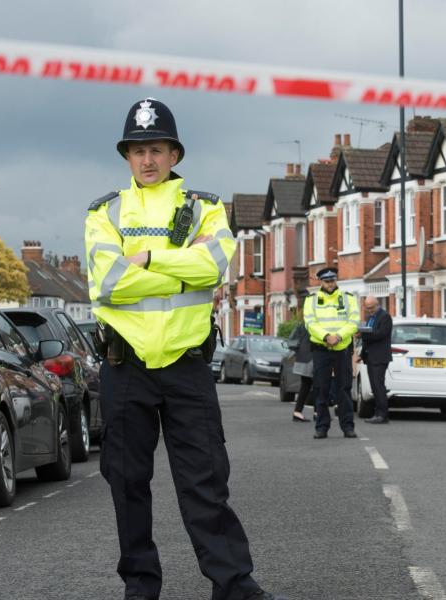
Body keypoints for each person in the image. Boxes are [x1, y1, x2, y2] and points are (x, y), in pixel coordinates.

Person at [85, 98, 287, 600]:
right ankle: (140, 588)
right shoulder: (104, 212)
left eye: (156, 149)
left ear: (174, 154)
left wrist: (149, 257)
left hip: (186, 364)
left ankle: (233, 585)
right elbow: (108, 282)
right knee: (127, 484)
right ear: (126, 156)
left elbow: (214, 266)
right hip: (124, 363)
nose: (147, 160)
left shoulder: (205, 207)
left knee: (204, 481)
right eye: (137, 150)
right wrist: (180, 267)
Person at [302, 267, 360, 439]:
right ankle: (321, 427)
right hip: (321, 349)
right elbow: (310, 323)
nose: (330, 284)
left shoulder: (348, 298)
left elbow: (354, 321)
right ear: (321, 282)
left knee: (344, 389)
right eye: (326, 281)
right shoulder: (311, 300)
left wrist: (339, 336)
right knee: (321, 389)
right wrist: (326, 336)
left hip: (342, 348)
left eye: (332, 281)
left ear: (336, 281)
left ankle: (348, 427)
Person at [359, 296, 392, 424]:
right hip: (370, 356)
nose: (369, 310)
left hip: (380, 357)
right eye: (367, 308)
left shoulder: (385, 317)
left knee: (379, 386)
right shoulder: (370, 318)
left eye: (371, 308)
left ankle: (382, 415)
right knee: (374, 386)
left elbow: (381, 334)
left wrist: (364, 334)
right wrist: (362, 355)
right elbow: (366, 340)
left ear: (377, 304)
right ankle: (377, 413)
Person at [288, 322, 313, 422]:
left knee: (306, 385)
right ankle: (317, 412)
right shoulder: (314, 324)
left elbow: (293, 341)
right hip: (312, 357)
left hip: (302, 357)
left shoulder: (301, 325)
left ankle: (297, 412)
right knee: (318, 384)